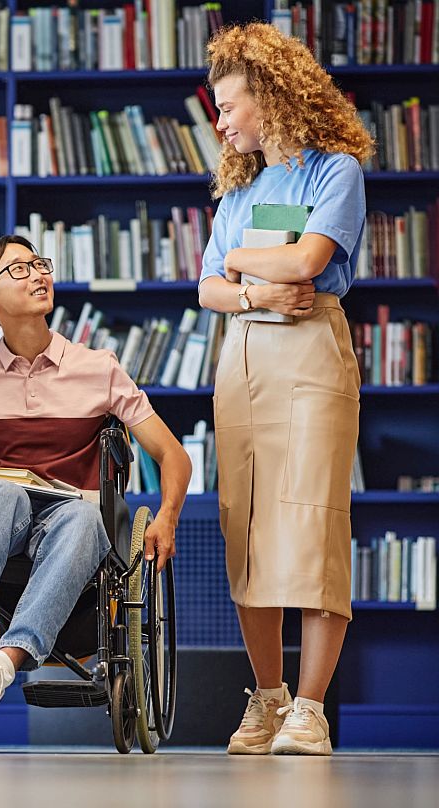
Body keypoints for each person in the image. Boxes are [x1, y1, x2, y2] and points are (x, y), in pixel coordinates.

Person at [0, 235, 191, 710]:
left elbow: (174, 455)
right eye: (19, 270)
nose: (39, 275)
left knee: (86, 517)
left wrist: (168, 515)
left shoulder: (98, 368)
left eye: (39, 265)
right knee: (2, 493)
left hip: (72, 514)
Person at [198, 23, 374, 756]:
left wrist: (244, 265)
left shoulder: (335, 170)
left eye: (230, 104)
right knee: (248, 531)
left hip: (311, 357)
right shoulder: (237, 188)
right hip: (243, 359)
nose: (221, 121)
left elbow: (307, 261)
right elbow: (208, 287)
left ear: (269, 97)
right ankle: (267, 699)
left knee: (313, 524)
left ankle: (310, 708)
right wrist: (253, 293)